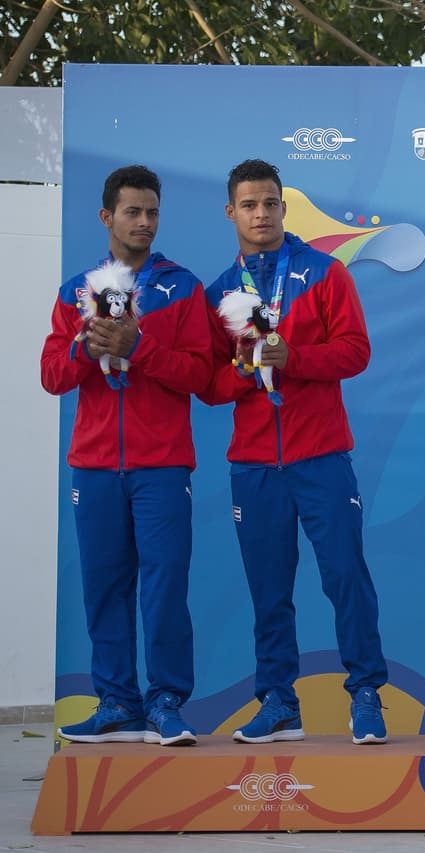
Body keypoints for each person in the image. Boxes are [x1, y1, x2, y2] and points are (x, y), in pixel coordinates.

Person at [200, 159, 389, 744]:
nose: (261, 214)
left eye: (270, 203)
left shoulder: (326, 273)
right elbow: (208, 385)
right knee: (268, 588)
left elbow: (356, 353)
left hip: (321, 456)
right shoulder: (218, 294)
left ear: (284, 207)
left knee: (345, 577)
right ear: (231, 212)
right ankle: (279, 701)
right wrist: (244, 369)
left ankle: (364, 694)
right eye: (249, 205)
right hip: (254, 464)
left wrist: (293, 360)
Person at [41, 165, 212, 747]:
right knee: (105, 586)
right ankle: (116, 703)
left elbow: (200, 374)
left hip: (162, 465)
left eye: (152, 213)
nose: (144, 222)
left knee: (164, 585)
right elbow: (51, 376)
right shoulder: (75, 291)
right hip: (93, 467)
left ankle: (165, 702)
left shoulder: (182, 287)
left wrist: (140, 347)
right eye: (133, 212)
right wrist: (87, 347)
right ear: (106, 216)